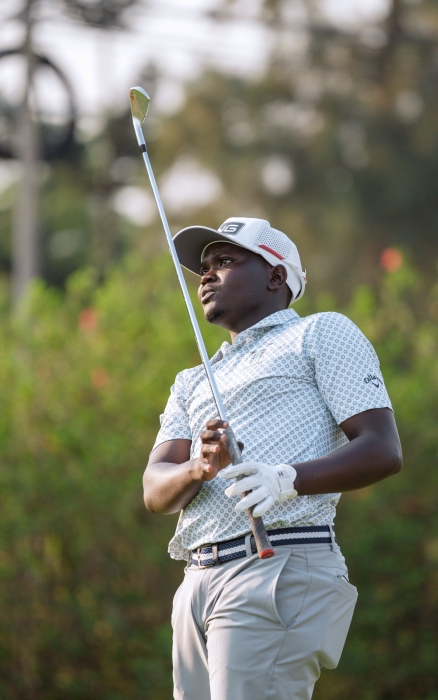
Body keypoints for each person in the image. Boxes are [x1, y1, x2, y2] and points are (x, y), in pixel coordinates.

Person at [143, 217, 403, 700]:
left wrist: (286, 479)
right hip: (197, 582)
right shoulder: (193, 380)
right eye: (203, 267)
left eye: (225, 261)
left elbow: (382, 448)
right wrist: (199, 467)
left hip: (277, 564)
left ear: (276, 277)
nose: (206, 275)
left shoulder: (321, 334)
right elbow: (155, 490)